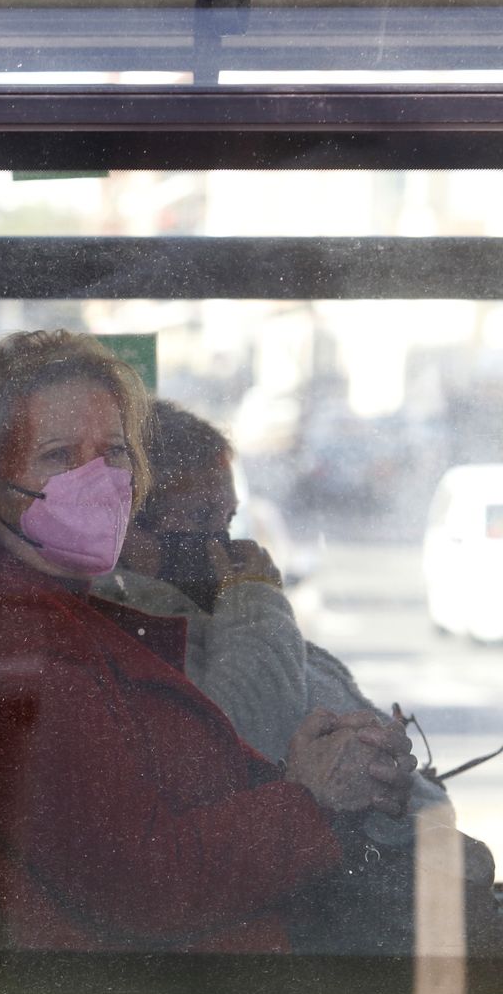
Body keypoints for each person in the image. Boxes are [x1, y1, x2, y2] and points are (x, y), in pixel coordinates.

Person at [0, 329, 416, 953]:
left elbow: (162, 798)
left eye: (114, 452)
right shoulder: (8, 641)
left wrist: (309, 772)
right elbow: (145, 883)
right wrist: (308, 800)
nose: (96, 479)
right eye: (58, 455)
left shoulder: (55, 615)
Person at [92, 399, 496, 950]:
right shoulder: (141, 632)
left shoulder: (218, 617)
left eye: (228, 520)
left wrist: (391, 776)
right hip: (307, 918)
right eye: (198, 520)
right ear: (128, 525)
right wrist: (255, 598)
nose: (230, 546)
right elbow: (241, 734)